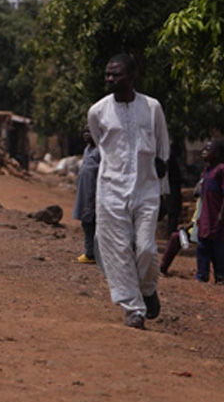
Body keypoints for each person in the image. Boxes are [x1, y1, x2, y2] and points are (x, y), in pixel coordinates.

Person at [87, 53, 170, 329]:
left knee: (146, 247)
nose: (110, 79)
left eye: (116, 74)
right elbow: (101, 144)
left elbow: (163, 150)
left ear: (131, 76)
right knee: (118, 249)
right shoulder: (98, 111)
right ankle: (133, 308)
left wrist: (164, 192)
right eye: (107, 74)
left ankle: (147, 289)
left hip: (147, 188)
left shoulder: (152, 107)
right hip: (111, 188)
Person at [193, 139, 224, 284]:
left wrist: (222, 214)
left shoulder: (223, 170)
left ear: (217, 154)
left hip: (217, 218)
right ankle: (201, 275)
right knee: (202, 246)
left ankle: (222, 276)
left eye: (208, 149)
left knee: (219, 247)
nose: (204, 152)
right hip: (206, 217)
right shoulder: (206, 172)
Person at [73, 126, 100, 264]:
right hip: (84, 194)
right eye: (84, 132)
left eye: (89, 131)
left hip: (94, 195)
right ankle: (90, 252)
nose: (86, 134)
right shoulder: (87, 150)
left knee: (93, 223)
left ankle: (92, 254)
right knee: (86, 222)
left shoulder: (100, 151)